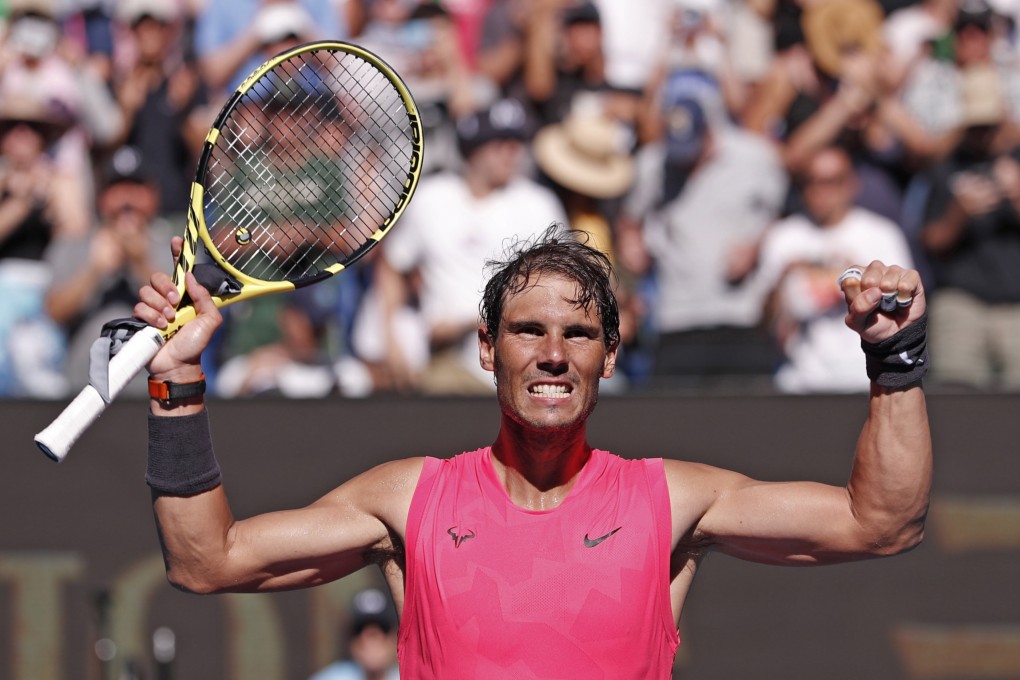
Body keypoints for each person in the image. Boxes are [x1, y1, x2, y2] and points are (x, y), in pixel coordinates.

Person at [133, 225, 932, 678]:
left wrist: (895, 357)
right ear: (488, 347)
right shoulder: (409, 499)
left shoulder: (672, 500)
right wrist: (176, 383)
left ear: (609, 357)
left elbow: (883, 523)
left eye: (579, 333)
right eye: (528, 330)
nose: (554, 353)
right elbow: (207, 561)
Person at [756, 145, 915, 393]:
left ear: (851, 184)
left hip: (865, 376)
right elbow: (763, 322)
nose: (820, 191)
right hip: (800, 379)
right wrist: (783, 278)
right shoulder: (783, 237)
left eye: (831, 182)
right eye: (810, 181)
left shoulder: (881, 235)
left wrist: (857, 276)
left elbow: (905, 310)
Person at [308, 587, 400, 680]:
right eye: (359, 629)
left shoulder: (411, 676)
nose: (368, 638)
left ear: (396, 636)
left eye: (383, 628)